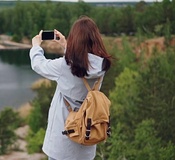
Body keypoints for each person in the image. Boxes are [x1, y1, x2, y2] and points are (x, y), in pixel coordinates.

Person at [29, 16, 112, 160]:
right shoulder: (102, 66)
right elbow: (85, 62)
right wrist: (65, 45)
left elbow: (38, 64)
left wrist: (36, 46)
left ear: (75, 39)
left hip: (62, 143)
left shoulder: (64, 66)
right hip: (86, 139)